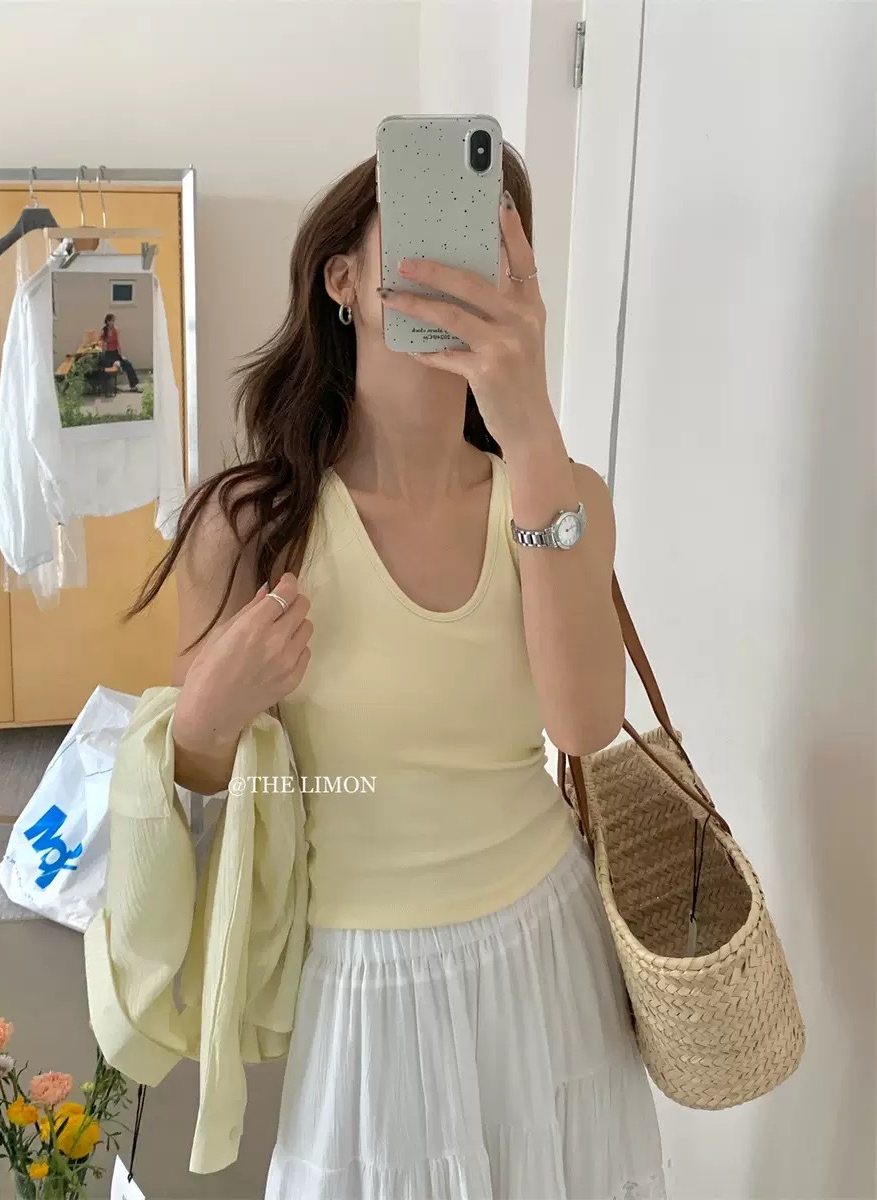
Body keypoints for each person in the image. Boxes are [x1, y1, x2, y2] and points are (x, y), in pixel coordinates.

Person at [124, 146, 667, 1200]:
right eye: (431, 228)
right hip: (370, 982)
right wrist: (209, 717)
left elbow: (583, 723)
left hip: (551, 953)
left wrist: (530, 423)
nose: (461, 267)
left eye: (491, 245)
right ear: (344, 277)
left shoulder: (560, 495)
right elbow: (190, 793)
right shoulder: (251, 525)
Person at [99, 312, 140, 391]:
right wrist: (102, 351)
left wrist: (121, 356)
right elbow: (101, 343)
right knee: (109, 364)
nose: (113, 322)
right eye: (111, 321)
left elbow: (118, 344)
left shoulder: (115, 331)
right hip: (107, 354)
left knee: (128, 364)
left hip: (115, 353)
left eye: (114, 321)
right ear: (107, 321)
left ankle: (133, 386)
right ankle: (107, 385)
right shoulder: (104, 331)